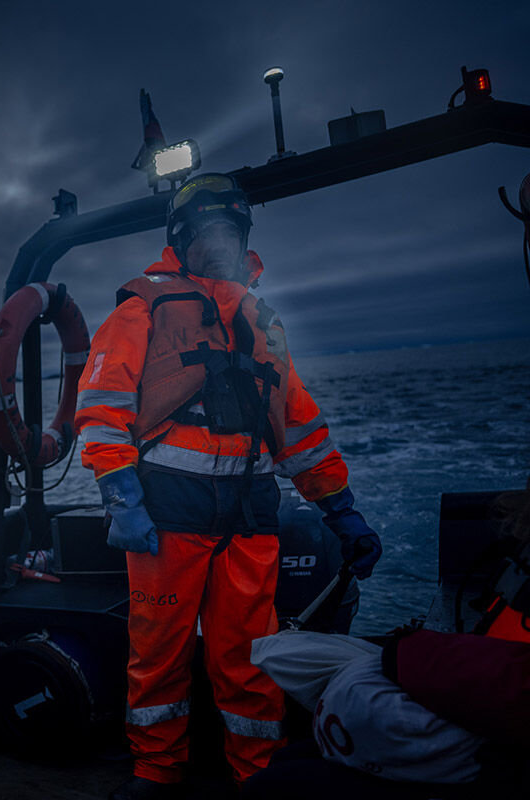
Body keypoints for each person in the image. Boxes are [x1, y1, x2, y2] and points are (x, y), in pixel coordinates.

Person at [74, 173, 383, 798]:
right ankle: (156, 771)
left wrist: (341, 510)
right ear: (180, 240)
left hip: (250, 512)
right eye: (206, 234)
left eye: (229, 233)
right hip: (166, 512)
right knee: (157, 652)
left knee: (251, 656)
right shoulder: (143, 308)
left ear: (244, 239)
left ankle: (259, 774)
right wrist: (121, 496)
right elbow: (101, 406)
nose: (219, 245)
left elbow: (298, 426)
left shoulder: (265, 324)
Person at [242, 480, 530, 798]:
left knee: (270, 787)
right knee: (287, 761)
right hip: (474, 720)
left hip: (489, 757)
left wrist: (406, 652)